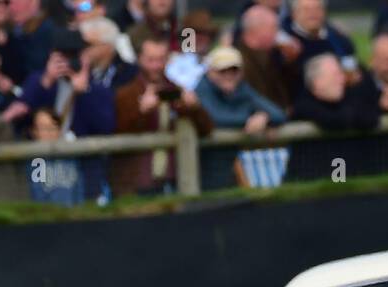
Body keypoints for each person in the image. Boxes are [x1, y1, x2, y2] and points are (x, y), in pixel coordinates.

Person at [113, 34, 212, 194]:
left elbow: (206, 130)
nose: (156, 66)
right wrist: (142, 112)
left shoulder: (177, 90)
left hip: (175, 179)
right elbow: (118, 133)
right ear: (139, 59)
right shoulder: (126, 94)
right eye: (150, 60)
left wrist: (194, 108)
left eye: (161, 59)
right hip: (137, 181)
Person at [195, 44, 285, 131]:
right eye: (222, 70)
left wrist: (265, 117)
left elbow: (278, 114)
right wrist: (250, 118)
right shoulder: (202, 88)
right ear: (209, 72)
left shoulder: (241, 87)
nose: (228, 75)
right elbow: (215, 119)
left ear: (241, 72)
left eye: (234, 69)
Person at [291, 50, 378, 130]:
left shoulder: (345, 95)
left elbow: (370, 118)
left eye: (341, 74)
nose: (343, 79)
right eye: (335, 75)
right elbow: (334, 120)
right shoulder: (304, 105)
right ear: (317, 82)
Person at [236, 2, 296, 109]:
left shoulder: (271, 56)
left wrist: (290, 61)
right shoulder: (238, 61)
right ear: (257, 30)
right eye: (274, 28)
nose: (277, 34)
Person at [27, 104, 83, 203]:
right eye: (43, 128)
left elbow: (78, 192)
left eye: (53, 127)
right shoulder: (30, 162)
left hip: (73, 215)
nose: (49, 132)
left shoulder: (70, 158)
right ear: (34, 131)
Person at [288, 0, 358, 74]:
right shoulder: (288, 45)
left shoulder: (339, 39)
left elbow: (352, 65)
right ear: (294, 14)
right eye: (306, 9)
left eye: (317, 8)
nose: (312, 13)